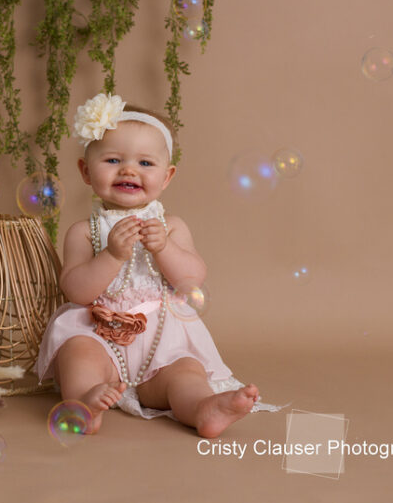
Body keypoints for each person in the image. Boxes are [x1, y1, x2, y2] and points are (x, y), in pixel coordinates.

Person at [35, 93, 276, 436]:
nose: (129, 170)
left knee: (185, 372)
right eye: (113, 160)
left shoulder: (172, 227)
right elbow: (76, 290)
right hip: (98, 330)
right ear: (86, 172)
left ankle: (203, 408)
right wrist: (112, 255)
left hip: (162, 335)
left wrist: (164, 249)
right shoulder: (83, 232)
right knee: (77, 352)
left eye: (146, 163)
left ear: (167, 177)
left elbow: (192, 279)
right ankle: (85, 400)